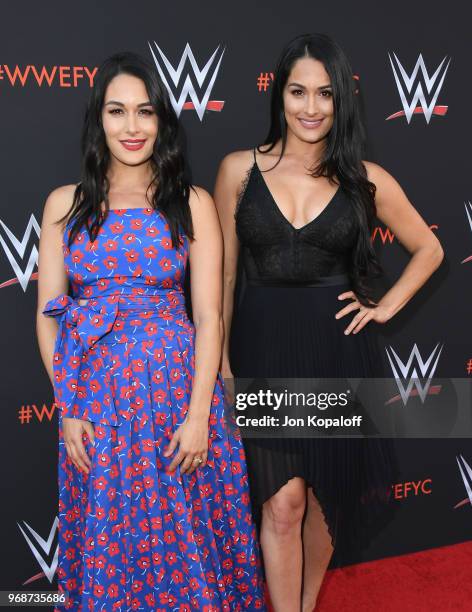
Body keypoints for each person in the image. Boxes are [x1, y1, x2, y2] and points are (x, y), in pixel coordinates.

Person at [214, 33, 444, 612]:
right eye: (298, 92)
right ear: (279, 96)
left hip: (336, 356)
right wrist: (218, 362)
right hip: (262, 352)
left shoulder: (364, 179)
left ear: (342, 100)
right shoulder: (240, 170)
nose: (310, 107)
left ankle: (306, 602)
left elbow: (429, 249)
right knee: (281, 504)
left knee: (322, 504)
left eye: (324, 94)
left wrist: (385, 305)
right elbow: (220, 281)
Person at [36, 51, 266, 611]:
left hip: (177, 398)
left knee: (187, 541)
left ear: (162, 120)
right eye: (117, 111)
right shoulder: (66, 205)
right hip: (97, 404)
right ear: (99, 120)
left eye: (145, 111)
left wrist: (198, 416)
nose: (132, 127)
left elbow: (209, 317)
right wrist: (68, 406)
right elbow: (49, 317)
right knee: (111, 544)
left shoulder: (191, 203)